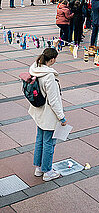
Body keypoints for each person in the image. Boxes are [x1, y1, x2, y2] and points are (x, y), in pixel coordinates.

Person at [28, 47, 67, 181]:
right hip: (48, 114)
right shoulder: (49, 76)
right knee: (49, 142)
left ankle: (38, 168)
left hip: (38, 111)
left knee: (40, 139)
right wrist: (62, 117)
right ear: (52, 59)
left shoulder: (35, 67)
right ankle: (47, 171)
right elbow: (54, 100)